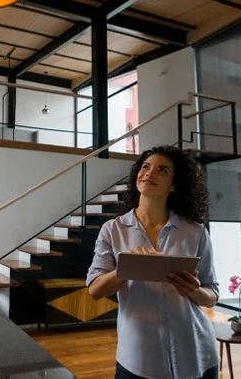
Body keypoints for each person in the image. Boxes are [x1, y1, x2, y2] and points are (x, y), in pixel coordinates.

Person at [87, 146, 219, 379]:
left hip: (196, 355)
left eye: (162, 170)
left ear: (174, 185)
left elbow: (212, 295)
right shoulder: (112, 230)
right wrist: (130, 267)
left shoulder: (195, 231)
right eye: (145, 167)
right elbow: (95, 290)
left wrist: (195, 291)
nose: (149, 173)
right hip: (138, 359)